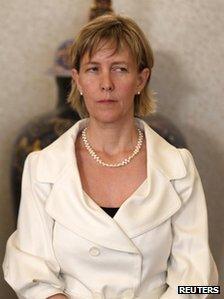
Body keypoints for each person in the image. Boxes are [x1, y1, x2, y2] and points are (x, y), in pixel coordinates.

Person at [3, 14, 218, 299]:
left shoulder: (179, 167)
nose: (106, 83)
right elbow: (29, 271)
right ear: (77, 80)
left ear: (142, 78)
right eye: (93, 69)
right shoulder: (42, 167)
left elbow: (201, 283)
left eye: (119, 69)